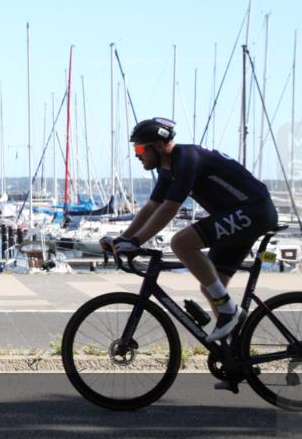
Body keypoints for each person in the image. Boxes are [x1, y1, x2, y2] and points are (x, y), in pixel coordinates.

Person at [101, 118, 277, 344]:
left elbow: (170, 208)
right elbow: (152, 206)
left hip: (255, 211)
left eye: (140, 148)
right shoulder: (168, 168)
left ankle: (230, 312)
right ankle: (235, 359)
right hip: (243, 213)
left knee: (181, 243)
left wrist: (136, 241)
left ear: (159, 145)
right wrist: (124, 238)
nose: (137, 154)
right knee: (212, 287)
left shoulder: (186, 159)